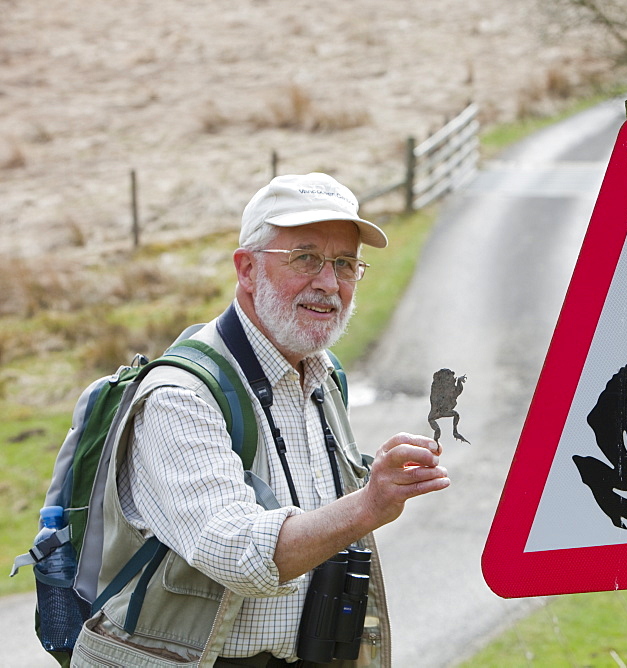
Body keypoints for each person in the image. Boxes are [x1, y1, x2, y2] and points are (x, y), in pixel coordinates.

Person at [73, 173, 450, 667]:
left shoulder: (321, 373)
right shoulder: (179, 397)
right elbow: (239, 554)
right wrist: (368, 504)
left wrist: (367, 477)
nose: (329, 283)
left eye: (345, 264)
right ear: (247, 269)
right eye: (306, 257)